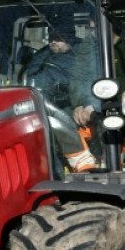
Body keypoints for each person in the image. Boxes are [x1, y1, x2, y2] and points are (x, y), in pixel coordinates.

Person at [25, 32, 97, 172]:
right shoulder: (41, 56)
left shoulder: (82, 55)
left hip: (70, 103)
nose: (53, 41)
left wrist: (85, 103)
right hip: (40, 102)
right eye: (51, 38)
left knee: (58, 122)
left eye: (58, 38)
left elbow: (86, 82)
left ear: (70, 37)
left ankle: (82, 163)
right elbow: (31, 79)